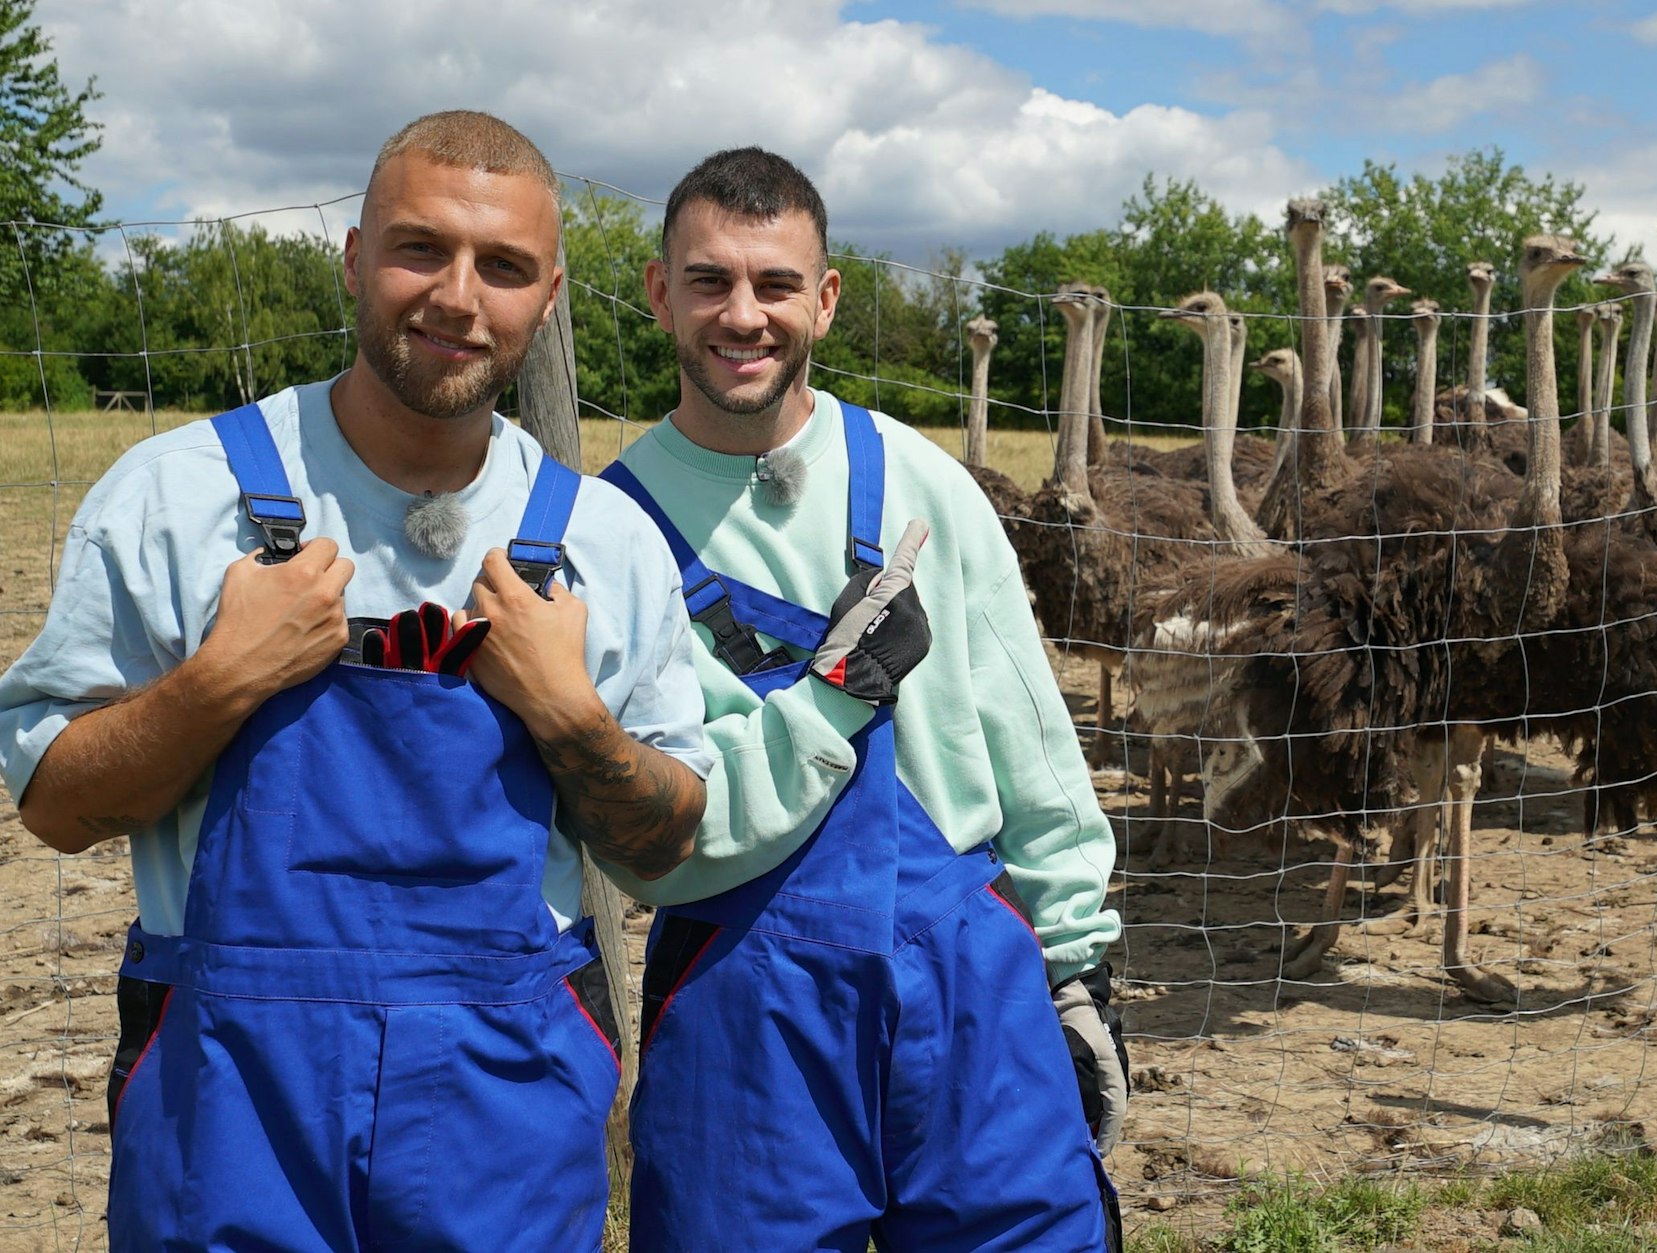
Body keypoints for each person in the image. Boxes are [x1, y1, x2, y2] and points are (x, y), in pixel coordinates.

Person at [0, 111, 710, 1250]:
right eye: (419, 247)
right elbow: (56, 806)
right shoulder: (179, 498)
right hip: (230, 1100)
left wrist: (571, 715)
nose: (457, 296)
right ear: (353, 257)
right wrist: (219, 680)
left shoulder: (602, 542)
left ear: (550, 295)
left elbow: (664, 841)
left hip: (506, 1116)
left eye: (506, 267)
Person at [602, 147, 1126, 1251]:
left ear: (825, 300)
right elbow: (660, 839)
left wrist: (1075, 967)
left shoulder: (918, 479)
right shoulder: (612, 536)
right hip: (745, 985)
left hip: (969, 969)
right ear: (659, 292)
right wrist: (836, 694)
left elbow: (1025, 728)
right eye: (709, 281)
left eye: (775, 284)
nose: (742, 315)